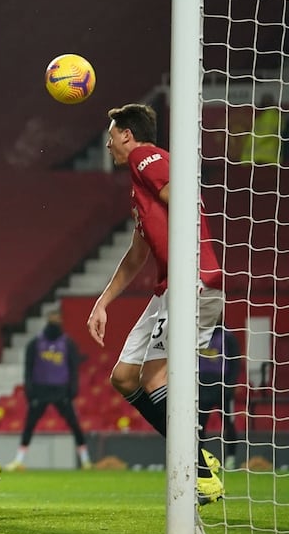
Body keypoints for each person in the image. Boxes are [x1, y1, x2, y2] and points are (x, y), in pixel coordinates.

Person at [86, 103, 226, 505]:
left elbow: (181, 199)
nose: (108, 143)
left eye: (111, 135)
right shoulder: (139, 182)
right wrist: (103, 302)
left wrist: (190, 263)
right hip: (169, 288)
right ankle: (199, 458)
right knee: (124, 377)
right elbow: (136, 254)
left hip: (192, 282)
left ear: (127, 134)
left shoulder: (147, 157)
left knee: (153, 378)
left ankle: (200, 473)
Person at [5, 310, 91, 471]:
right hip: (40, 391)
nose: (54, 321)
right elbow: (28, 368)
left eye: (57, 318)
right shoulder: (35, 343)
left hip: (61, 391)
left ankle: (86, 460)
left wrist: (72, 390)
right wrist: (30, 391)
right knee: (29, 425)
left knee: (75, 425)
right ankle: (18, 460)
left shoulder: (67, 344)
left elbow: (73, 368)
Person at [198, 324, 242, 470]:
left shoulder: (228, 337)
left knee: (228, 423)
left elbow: (235, 363)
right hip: (202, 387)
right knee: (199, 426)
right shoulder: (198, 335)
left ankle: (231, 458)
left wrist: (230, 385)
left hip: (222, 387)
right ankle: (198, 458)